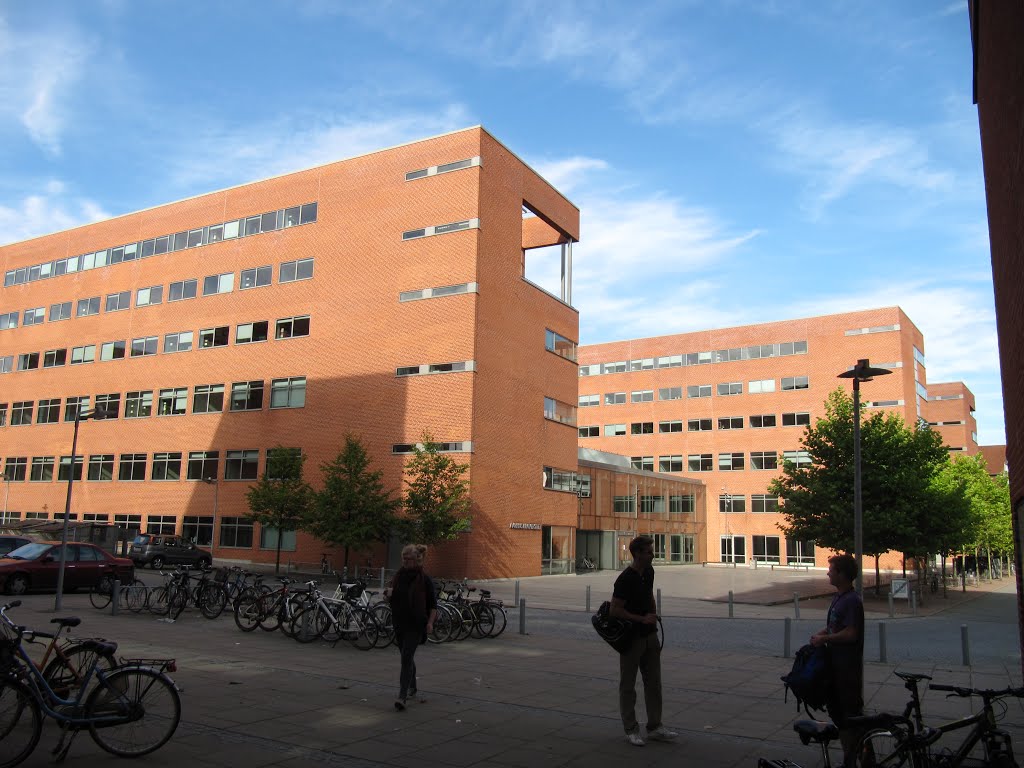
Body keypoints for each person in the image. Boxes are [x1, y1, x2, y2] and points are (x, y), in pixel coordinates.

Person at [610, 535, 678, 746]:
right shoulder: (625, 579)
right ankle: (631, 729)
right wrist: (641, 618)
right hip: (631, 639)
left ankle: (655, 726)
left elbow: (649, 594)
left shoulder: (649, 572)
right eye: (649, 551)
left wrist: (653, 614)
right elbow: (615, 610)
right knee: (628, 685)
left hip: (650, 635)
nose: (652, 555)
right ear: (637, 554)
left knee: (654, 683)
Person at [810, 553, 864, 767]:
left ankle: (865, 758)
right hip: (836, 666)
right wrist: (822, 634)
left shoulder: (851, 601)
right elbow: (837, 625)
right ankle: (848, 759)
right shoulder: (840, 597)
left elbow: (851, 633)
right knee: (841, 718)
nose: (828, 573)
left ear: (841, 574)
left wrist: (826, 638)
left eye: (831, 570)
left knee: (852, 718)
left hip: (847, 670)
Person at [386, 544, 437, 711]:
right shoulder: (398, 576)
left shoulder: (425, 579)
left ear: (417, 560)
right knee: (405, 655)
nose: (405, 562)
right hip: (399, 621)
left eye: (409, 559)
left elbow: (433, 605)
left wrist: (430, 622)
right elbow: (392, 595)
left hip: (416, 623)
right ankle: (413, 686)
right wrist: (388, 594)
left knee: (406, 656)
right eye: (404, 559)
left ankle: (402, 696)